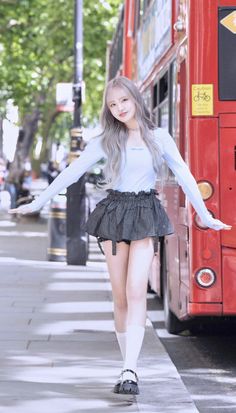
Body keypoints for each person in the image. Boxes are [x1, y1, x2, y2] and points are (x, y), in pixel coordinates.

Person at [9, 76, 232, 395]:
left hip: (144, 212)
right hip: (114, 214)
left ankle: (130, 369)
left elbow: (184, 175)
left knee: (136, 289)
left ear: (135, 99)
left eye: (123, 101)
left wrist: (206, 216)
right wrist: (39, 200)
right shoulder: (104, 140)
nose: (119, 109)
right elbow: (72, 173)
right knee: (120, 296)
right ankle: (125, 363)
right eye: (112, 105)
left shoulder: (159, 137)